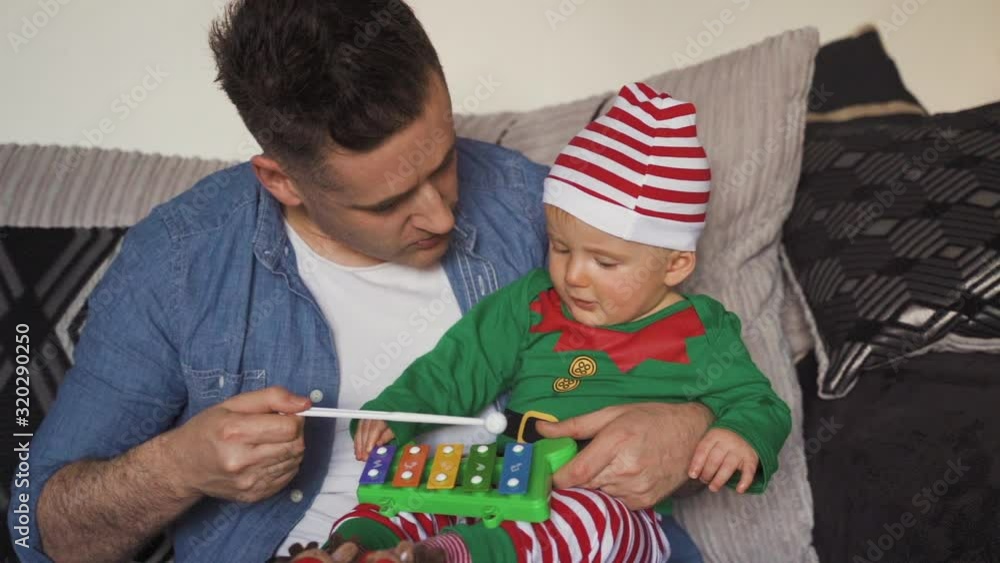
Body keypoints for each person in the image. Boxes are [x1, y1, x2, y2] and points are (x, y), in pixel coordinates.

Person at [9, 2, 714, 562]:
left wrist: (684, 425)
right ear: (281, 180)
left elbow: (702, 356)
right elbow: (36, 528)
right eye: (386, 203)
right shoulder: (177, 263)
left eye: (442, 159)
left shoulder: (542, 209)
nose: (440, 212)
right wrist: (178, 467)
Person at [285, 84, 792, 563]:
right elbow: (461, 364)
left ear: (675, 266)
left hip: (613, 509)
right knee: (408, 489)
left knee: (591, 518)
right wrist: (396, 410)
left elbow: (758, 402)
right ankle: (349, 548)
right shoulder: (533, 302)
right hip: (511, 477)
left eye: (605, 263)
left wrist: (740, 434)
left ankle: (443, 555)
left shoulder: (702, 331)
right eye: (561, 247)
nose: (573, 275)